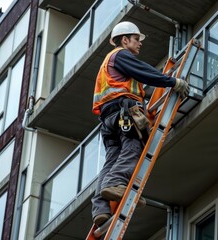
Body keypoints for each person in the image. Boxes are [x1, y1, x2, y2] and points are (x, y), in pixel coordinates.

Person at [91, 21, 189, 227]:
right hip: (123, 111)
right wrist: (172, 82)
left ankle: (100, 208)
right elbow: (144, 71)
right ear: (125, 40)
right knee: (133, 147)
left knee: (111, 161)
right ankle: (117, 183)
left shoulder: (107, 63)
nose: (139, 44)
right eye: (136, 39)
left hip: (108, 119)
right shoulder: (121, 55)